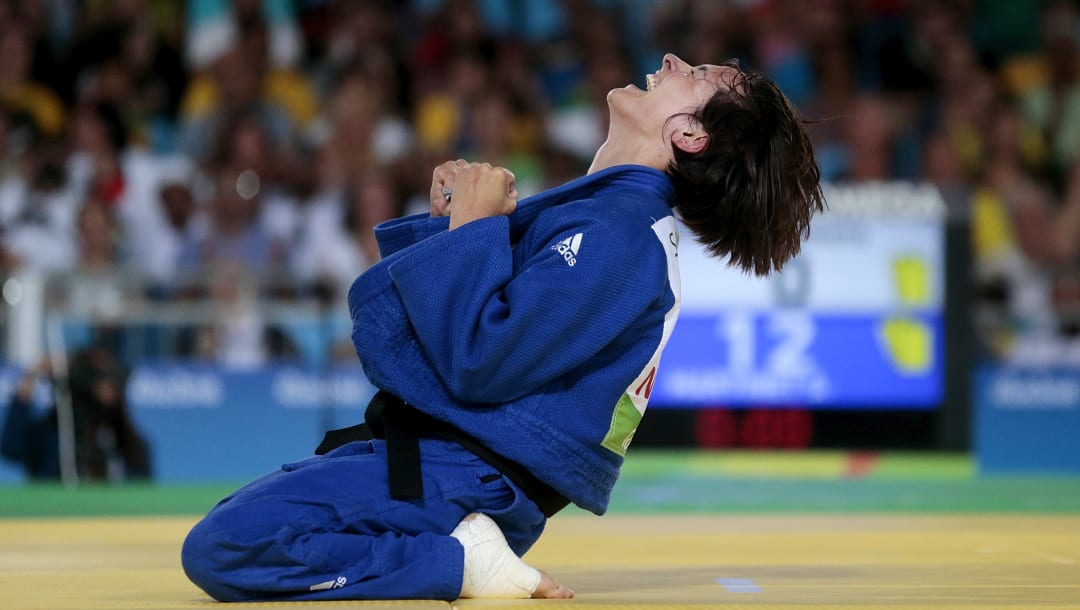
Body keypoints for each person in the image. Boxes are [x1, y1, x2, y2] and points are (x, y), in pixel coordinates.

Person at [181, 53, 824, 601]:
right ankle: (459, 548)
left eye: (698, 75)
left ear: (690, 135)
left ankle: (461, 560)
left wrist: (474, 232)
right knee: (236, 524)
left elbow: (482, 358)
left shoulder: (623, 237)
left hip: (464, 477)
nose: (671, 62)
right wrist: (451, 226)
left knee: (227, 546)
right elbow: (483, 336)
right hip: (450, 465)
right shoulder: (611, 220)